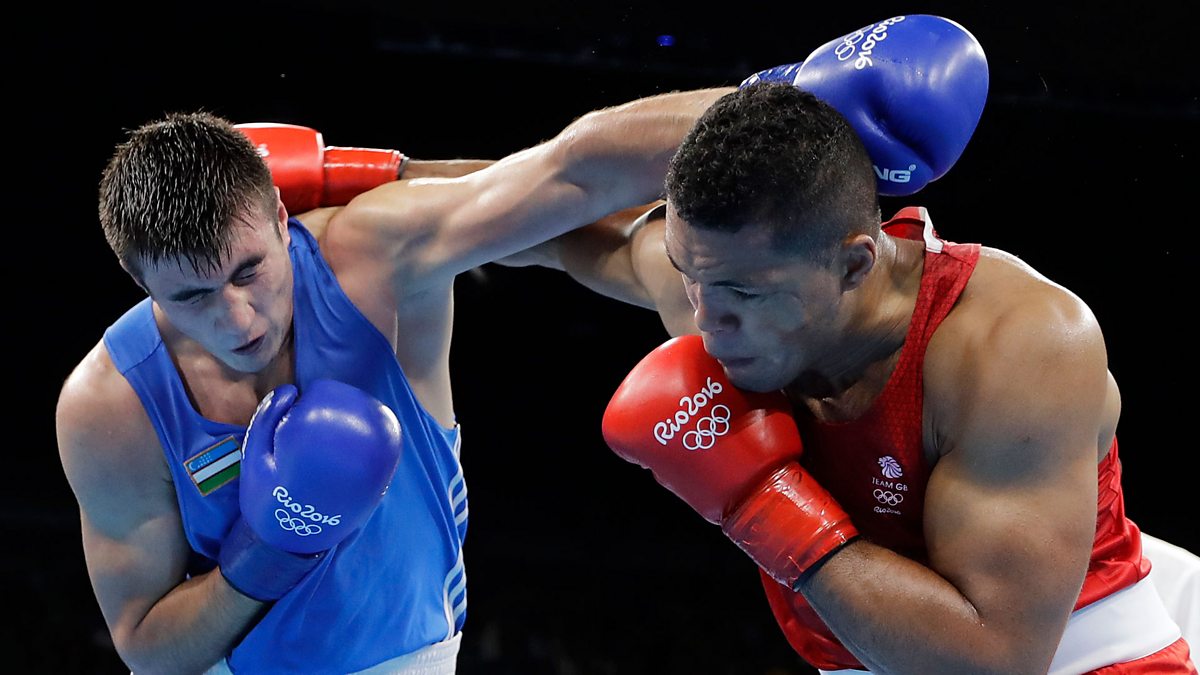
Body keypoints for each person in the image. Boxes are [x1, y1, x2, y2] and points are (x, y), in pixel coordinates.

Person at [502, 17, 1198, 675]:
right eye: (689, 275)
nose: (708, 323)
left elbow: (996, 659)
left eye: (744, 293)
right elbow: (536, 219)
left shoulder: (1013, 344)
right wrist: (428, 197)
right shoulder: (719, 279)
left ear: (854, 263)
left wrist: (764, 501)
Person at [53, 86, 732, 673]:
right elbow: (148, 647)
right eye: (192, 297)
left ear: (282, 219)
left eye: (248, 271)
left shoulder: (372, 257)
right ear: (141, 284)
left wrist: (779, 99)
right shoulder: (111, 404)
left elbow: (572, 173)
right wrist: (267, 553)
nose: (237, 318)